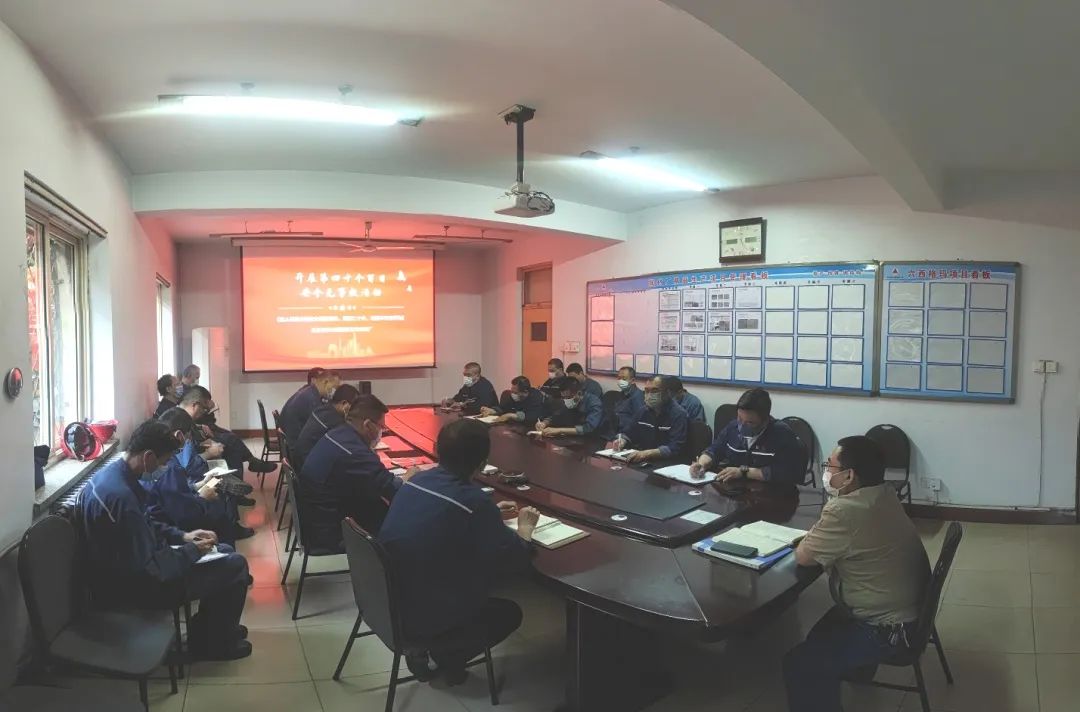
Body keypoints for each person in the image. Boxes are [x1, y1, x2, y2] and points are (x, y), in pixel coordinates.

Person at [379, 418, 538, 684]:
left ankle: (430, 649)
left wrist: (487, 513)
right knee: (509, 613)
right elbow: (514, 560)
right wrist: (525, 529)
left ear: (438, 450)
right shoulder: (473, 501)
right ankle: (441, 656)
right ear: (482, 463)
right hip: (426, 613)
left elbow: (443, 517)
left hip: (389, 599)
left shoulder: (416, 481)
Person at [78, 419, 253, 660]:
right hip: (134, 586)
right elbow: (152, 568)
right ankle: (212, 644)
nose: (164, 467)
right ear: (148, 457)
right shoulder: (122, 497)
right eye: (164, 461)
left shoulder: (116, 476)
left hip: (129, 567)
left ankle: (211, 631)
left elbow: (147, 524)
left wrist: (183, 536)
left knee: (221, 549)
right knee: (235, 565)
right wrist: (192, 551)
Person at [784, 436, 929, 712]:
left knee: (800, 665)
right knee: (821, 632)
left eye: (830, 465)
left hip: (888, 629)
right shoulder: (884, 493)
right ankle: (856, 669)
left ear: (849, 475)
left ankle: (844, 670)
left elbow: (803, 557)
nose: (826, 471)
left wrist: (817, 532)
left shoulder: (844, 510)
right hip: (907, 611)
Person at [299, 394, 411, 549]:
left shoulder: (338, 433)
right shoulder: (355, 453)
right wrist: (410, 478)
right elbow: (394, 489)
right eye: (381, 427)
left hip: (318, 518)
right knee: (406, 520)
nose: (382, 432)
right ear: (367, 425)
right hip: (331, 531)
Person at [147, 408, 251, 544]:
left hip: (176, 507)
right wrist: (201, 498)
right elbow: (185, 515)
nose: (188, 441)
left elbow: (176, 492)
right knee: (218, 511)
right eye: (189, 437)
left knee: (217, 494)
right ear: (179, 435)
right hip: (173, 526)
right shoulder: (168, 466)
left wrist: (198, 486)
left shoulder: (162, 458)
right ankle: (225, 548)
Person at [688, 387, 804, 485]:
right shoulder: (733, 427)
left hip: (771, 493)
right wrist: (702, 464)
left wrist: (744, 472)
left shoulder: (782, 434)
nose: (742, 426)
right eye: (740, 418)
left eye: (750, 422)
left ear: (765, 420)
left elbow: (788, 473)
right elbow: (715, 450)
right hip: (736, 490)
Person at [607, 376, 688, 463]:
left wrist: (648, 453)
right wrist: (622, 440)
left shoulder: (679, 414)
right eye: (646, 391)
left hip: (667, 463)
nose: (649, 394)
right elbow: (628, 432)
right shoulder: (643, 411)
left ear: (667, 392)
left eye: (654, 391)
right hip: (643, 460)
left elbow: (675, 447)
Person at [291, 383, 361, 472]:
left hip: (302, 462)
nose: (354, 411)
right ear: (344, 403)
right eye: (353, 407)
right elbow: (349, 447)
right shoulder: (334, 422)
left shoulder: (322, 409)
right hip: (307, 468)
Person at [281, 369, 341, 445]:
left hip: (291, 439)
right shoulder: (312, 399)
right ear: (325, 382)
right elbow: (321, 428)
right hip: (297, 445)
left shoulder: (309, 392)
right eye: (334, 387)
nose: (334, 391)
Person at [535, 377, 603, 438]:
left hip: (592, 439)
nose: (566, 400)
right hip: (573, 438)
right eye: (563, 397)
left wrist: (559, 430)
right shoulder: (569, 402)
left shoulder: (594, 403)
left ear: (579, 393)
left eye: (568, 397)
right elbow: (557, 416)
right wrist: (544, 423)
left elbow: (588, 428)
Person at [479, 376, 545, 425]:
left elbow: (531, 417)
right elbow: (504, 408)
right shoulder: (513, 397)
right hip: (514, 426)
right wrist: (491, 411)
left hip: (530, 428)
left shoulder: (536, 397)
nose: (513, 394)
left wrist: (510, 415)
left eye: (515, 393)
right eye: (512, 391)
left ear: (525, 392)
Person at [609, 366, 645, 436]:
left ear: (633, 380)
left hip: (627, 434)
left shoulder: (637, 396)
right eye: (619, 378)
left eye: (624, 378)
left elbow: (638, 422)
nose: (621, 381)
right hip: (615, 432)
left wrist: (623, 436)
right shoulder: (621, 394)